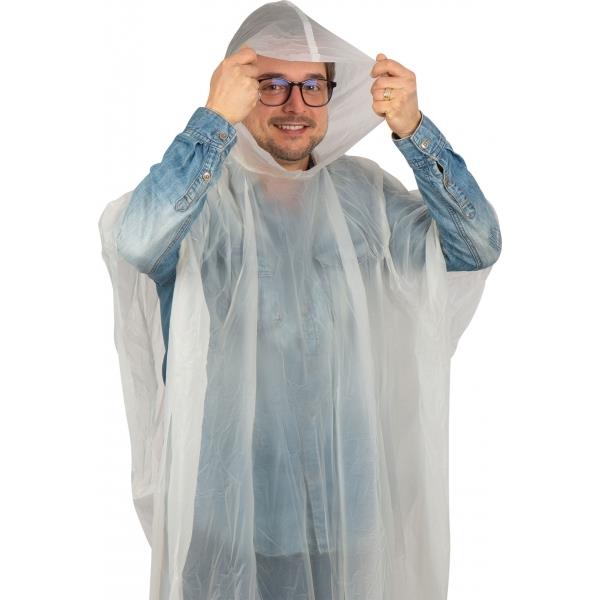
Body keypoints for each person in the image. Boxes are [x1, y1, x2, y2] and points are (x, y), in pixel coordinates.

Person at [99, 2, 501, 599]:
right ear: (239, 90)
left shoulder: (365, 195)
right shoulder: (198, 203)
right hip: (228, 529)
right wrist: (212, 121)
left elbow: (475, 246)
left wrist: (415, 132)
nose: (295, 105)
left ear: (331, 95)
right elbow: (136, 240)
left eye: (313, 85)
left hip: (350, 523)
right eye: (272, 84)